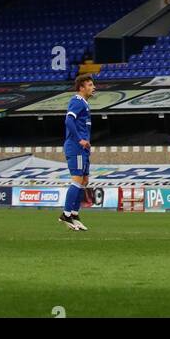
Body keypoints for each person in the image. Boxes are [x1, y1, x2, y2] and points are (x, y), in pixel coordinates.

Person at [60, 74, 96, 231]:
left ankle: (74, 214)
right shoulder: (77, 101)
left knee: (84, 180)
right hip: (76, 147)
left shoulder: (85, 104)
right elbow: (68, 120)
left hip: (83, 148)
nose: (93, 87)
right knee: (77, 180)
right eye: (90, 85)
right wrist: (80, 139)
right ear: (82, 88)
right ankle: (66, 215)